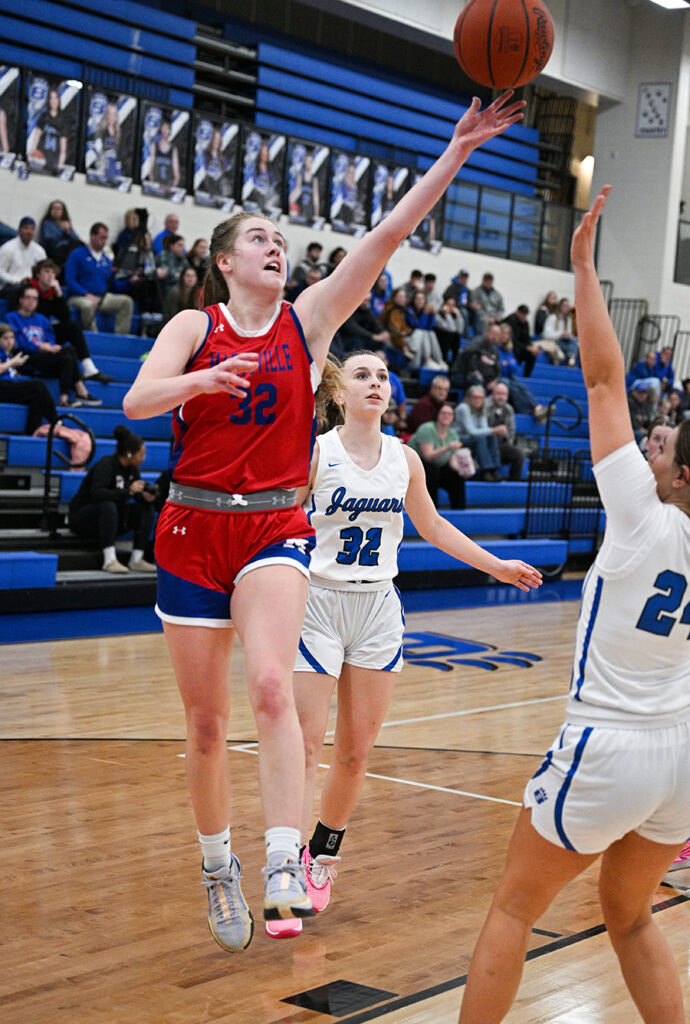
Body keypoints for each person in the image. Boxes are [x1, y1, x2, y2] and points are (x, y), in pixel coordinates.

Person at [121, 90, 526, 954]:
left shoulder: (309, 326)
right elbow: (136, 401)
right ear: (226, 261)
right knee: (202, 727)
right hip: (192, 527)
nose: (276, 247)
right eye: (258, 239)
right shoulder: (197, 325)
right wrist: (199, 380)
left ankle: (281, 861)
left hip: (273, 530)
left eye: (280, 239)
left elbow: (383, 241)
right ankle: (216, 865)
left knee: (270, 687)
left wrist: (455, 152)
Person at [458, 185, 690, 1024]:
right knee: (629, 914)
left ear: (681, 477)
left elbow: (601, 379)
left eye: (664, 442)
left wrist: (585, 269)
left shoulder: (642, 516)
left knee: (514, 908)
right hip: (682, 753)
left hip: (611, 742)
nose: (652, 440)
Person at [282, 351, 541, 938]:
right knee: (302, 746)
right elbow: (281, 519)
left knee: (354, 753)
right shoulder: (317, 452)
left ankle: (324, 853)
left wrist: (495, 566)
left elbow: (435, 527)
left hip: (376, 607)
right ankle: (287, 866)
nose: (375, 382)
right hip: (317, 603)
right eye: (362, 375)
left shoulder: (405, 460)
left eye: (382, 376)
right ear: (339, 393)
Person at [68, 425, 156, 574]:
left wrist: (145, 497)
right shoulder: (106, 465)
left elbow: (132, 494)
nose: (143, 459)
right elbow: (97, 494)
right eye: (141, 455)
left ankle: (136, 559)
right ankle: (109, 560)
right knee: (108, 505)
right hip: (83, 519)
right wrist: (128, 491)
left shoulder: (132, 470)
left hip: (110, 520)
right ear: (129, 454)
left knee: (146, 508)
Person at [6, 282, 101, 408]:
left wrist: (50, 346)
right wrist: (39, 346)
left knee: (68, 352)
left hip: (44, 355)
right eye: (28, 297)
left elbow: (50, 336)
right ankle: (79, 390)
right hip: (25, 356)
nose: (31, 301)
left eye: (35, 298)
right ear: (21, 300)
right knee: (68, 354)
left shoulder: (41, 319)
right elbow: (16, 342)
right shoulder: (11, 317)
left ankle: (64, 397)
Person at [30, 258, 113, 383]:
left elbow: (65, 317)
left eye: (53, 273)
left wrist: (59, 293)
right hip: (29, 333)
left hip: (46, 334)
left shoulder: (52, 294)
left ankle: (89, 367)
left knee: (72, 326)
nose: (50, 276)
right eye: (47, 272)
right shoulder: (28, 290)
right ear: (38, 274)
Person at [65, 222, 134, 334]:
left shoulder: (106, 260)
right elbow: (70, 280)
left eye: (106, 238)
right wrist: (85, 293)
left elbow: (113, 285)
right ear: (93, 236)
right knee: (88, 305)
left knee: (126, 302)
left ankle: (121, 337)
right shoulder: (77, 254)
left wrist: (130, 282)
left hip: (101, 297)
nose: (104, 241)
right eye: (102, 238)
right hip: (79, 296)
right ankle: (94, 336)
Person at [408, 401, 472, 508]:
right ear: (437, 415)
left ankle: (459, 512)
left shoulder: (453, 434)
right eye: (443, 413)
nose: (446, 416)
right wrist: (446, 448)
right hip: (415, 468)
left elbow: (452, 462)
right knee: (432, 470)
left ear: (453, 418)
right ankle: (432, 511)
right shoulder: (427, 428)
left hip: (435, 468)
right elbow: (428, 456)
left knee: (457, 477)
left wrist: (464, 470)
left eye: (450, 414)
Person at [0, 322, 58, 433]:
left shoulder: (7, 354)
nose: (9, 341)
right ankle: (55, 421)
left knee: (36, 398)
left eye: (11, 337)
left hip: (8, 385)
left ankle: (33, 433)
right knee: (38, 386)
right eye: (5, 338)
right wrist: (13, 362)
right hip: (2, 388)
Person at [455, 384, 503, 481]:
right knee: (480, 438)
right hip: (459, 439)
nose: (478, 400)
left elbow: (485, 430)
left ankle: (493, 469)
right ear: (469, 398)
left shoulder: (481, 409)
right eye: (475, 397)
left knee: (491, 437)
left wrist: (492, 431)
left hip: (473, 439)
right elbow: (470, 431)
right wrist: (493, 430)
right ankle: (486, 470)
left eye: (480, 398)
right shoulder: (463, 408)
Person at [485, 381, 526, 481]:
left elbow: (511, 432)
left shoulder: (509, 410)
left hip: (502, 444)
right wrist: (495, 431)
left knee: (519, 454)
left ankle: (514, 482)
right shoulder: (485, 406)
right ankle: (487, 473)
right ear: (492, 394)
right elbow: (482, 429)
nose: (501, 397)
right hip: (485, 444)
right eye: (498, 394)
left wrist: (508, 443)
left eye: (504, 394)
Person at [0, 217, 47, 300]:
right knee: (19, 290)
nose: (29, 232)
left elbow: (44, 271)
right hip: (11, 286)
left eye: (32, 229)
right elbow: (1, 272)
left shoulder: (39, 251)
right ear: (19, 230)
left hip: (33, 285)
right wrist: (18, 281)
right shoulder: (8, 248)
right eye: (26, 228)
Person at [26, 87, 67, 175]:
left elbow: (63, 146)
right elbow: (36, 136)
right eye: (51, 98)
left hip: (53, 160)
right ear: (48, 100)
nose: (53, 100)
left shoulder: (63, 119)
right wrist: (32, 152)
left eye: (55, 97)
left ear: (59, 100)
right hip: (40, 157)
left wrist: (60, 163)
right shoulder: (43, 116)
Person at [404, 289, 447, 369]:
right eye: (417, 299)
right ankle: (427, 360)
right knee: (421, 332)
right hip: (410, 339)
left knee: (431, 333)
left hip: (422, 338)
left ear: (425, 301)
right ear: (413, 300)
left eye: (422, 299)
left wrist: (432, 315)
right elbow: (417, 327)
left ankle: (438, 360)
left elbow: (429, 327)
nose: (419, 301)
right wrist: (425, 313)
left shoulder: (425, 310)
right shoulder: (409, 310)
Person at [38, 199, 82, 265]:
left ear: (63, 211)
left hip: (68, 251)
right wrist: (62, 231)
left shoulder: (66, 223)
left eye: (58, 209)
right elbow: (49, 240)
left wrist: (68, 231)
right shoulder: (47, 223)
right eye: (54, 208)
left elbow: (77, 240)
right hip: (55, 251)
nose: (56, 211)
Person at [145, 117, 180, 193]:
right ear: (161, 129)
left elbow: (177, 175)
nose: (165, 130)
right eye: (163, 128)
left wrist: (170, 189)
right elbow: (150, 169)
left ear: (170, 131)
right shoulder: (154, 146)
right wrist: (154, 185)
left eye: (167, 128)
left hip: (168, 187)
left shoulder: (173, 149)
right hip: (156, 186)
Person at [502, 304, 538, 377]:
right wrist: (526, 347)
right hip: (509, 345)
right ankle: (512, 374)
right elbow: (511, 339)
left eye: (526, 314)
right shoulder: (511, 320)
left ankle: (527, 376)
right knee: (516, 351)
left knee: (532, 355)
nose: (524, 316)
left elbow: (527, 339)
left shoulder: (526, 323)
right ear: (517, 313)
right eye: (522, 313)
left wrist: (531, 348)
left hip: (519, 345)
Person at [542, 296, 579, 366]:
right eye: (564, 306)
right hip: (554, 341)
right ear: (560, 307)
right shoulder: (552, 318)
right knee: (572, 345)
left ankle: (571, 359)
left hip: (564, 341)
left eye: (568, 306)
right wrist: (560, 334)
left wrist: (568, 335)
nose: (566, 308)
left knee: (575, 340)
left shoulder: (568, 319)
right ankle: (571, 360)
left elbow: (569, 332)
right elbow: (546, 334)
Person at [443, 269, 482, 336]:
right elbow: (449, 300)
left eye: (465, 278)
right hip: (456, 308)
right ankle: (465, 334)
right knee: (464, 312)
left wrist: (473, 305)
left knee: (476, 312)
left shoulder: (467, 290)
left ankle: (478, 334)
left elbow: (469, 301)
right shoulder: (452, 288)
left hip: (465, 307)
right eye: (462, 278)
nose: (464, 280)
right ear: (459, 278)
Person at [627, 378, 654, 443]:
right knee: (639, 434)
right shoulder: (629, 403)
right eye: (640, 392)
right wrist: (639, 429)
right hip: (630, 431)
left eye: (645, 393)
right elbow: (630, 420)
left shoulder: (646, 406)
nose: (642, 395)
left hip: (642, 431)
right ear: (634, 392)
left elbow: (648, 422)